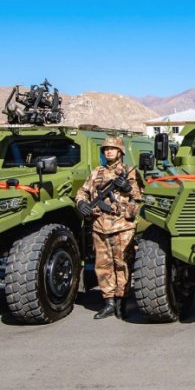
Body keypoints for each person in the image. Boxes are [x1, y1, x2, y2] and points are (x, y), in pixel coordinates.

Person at [76, 136, 142, 319]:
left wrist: (128, 188)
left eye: (112, 149)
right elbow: (82, 191)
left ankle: (122, 301)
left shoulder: (129, 172)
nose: (109, 151)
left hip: (122, 226)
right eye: (106, 149)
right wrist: (81, 203)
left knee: (122, 265)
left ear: (120, 152)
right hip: (99, 225)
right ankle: (109, 302)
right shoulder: (96, 173)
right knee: (103, 266)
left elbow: (140, 197)